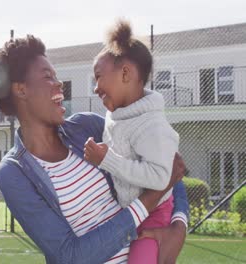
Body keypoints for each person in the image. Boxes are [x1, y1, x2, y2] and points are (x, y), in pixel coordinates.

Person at [0, 35, 189, 264]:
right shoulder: (14, 172)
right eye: (47, 77)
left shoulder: (87, 127)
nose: (59, 83)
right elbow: (70, 256)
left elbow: (167, 166)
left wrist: (179, 225)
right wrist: (151, 198)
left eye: (57, 75)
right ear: (21, 90)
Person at [83, 20, 179, 263]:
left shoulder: (151, 125)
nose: (95, 88)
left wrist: (108, 160)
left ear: (125, 73)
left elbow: (160, 178)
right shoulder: (116, 116)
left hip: (153, 215)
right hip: (128, 213)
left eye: (98, 78)